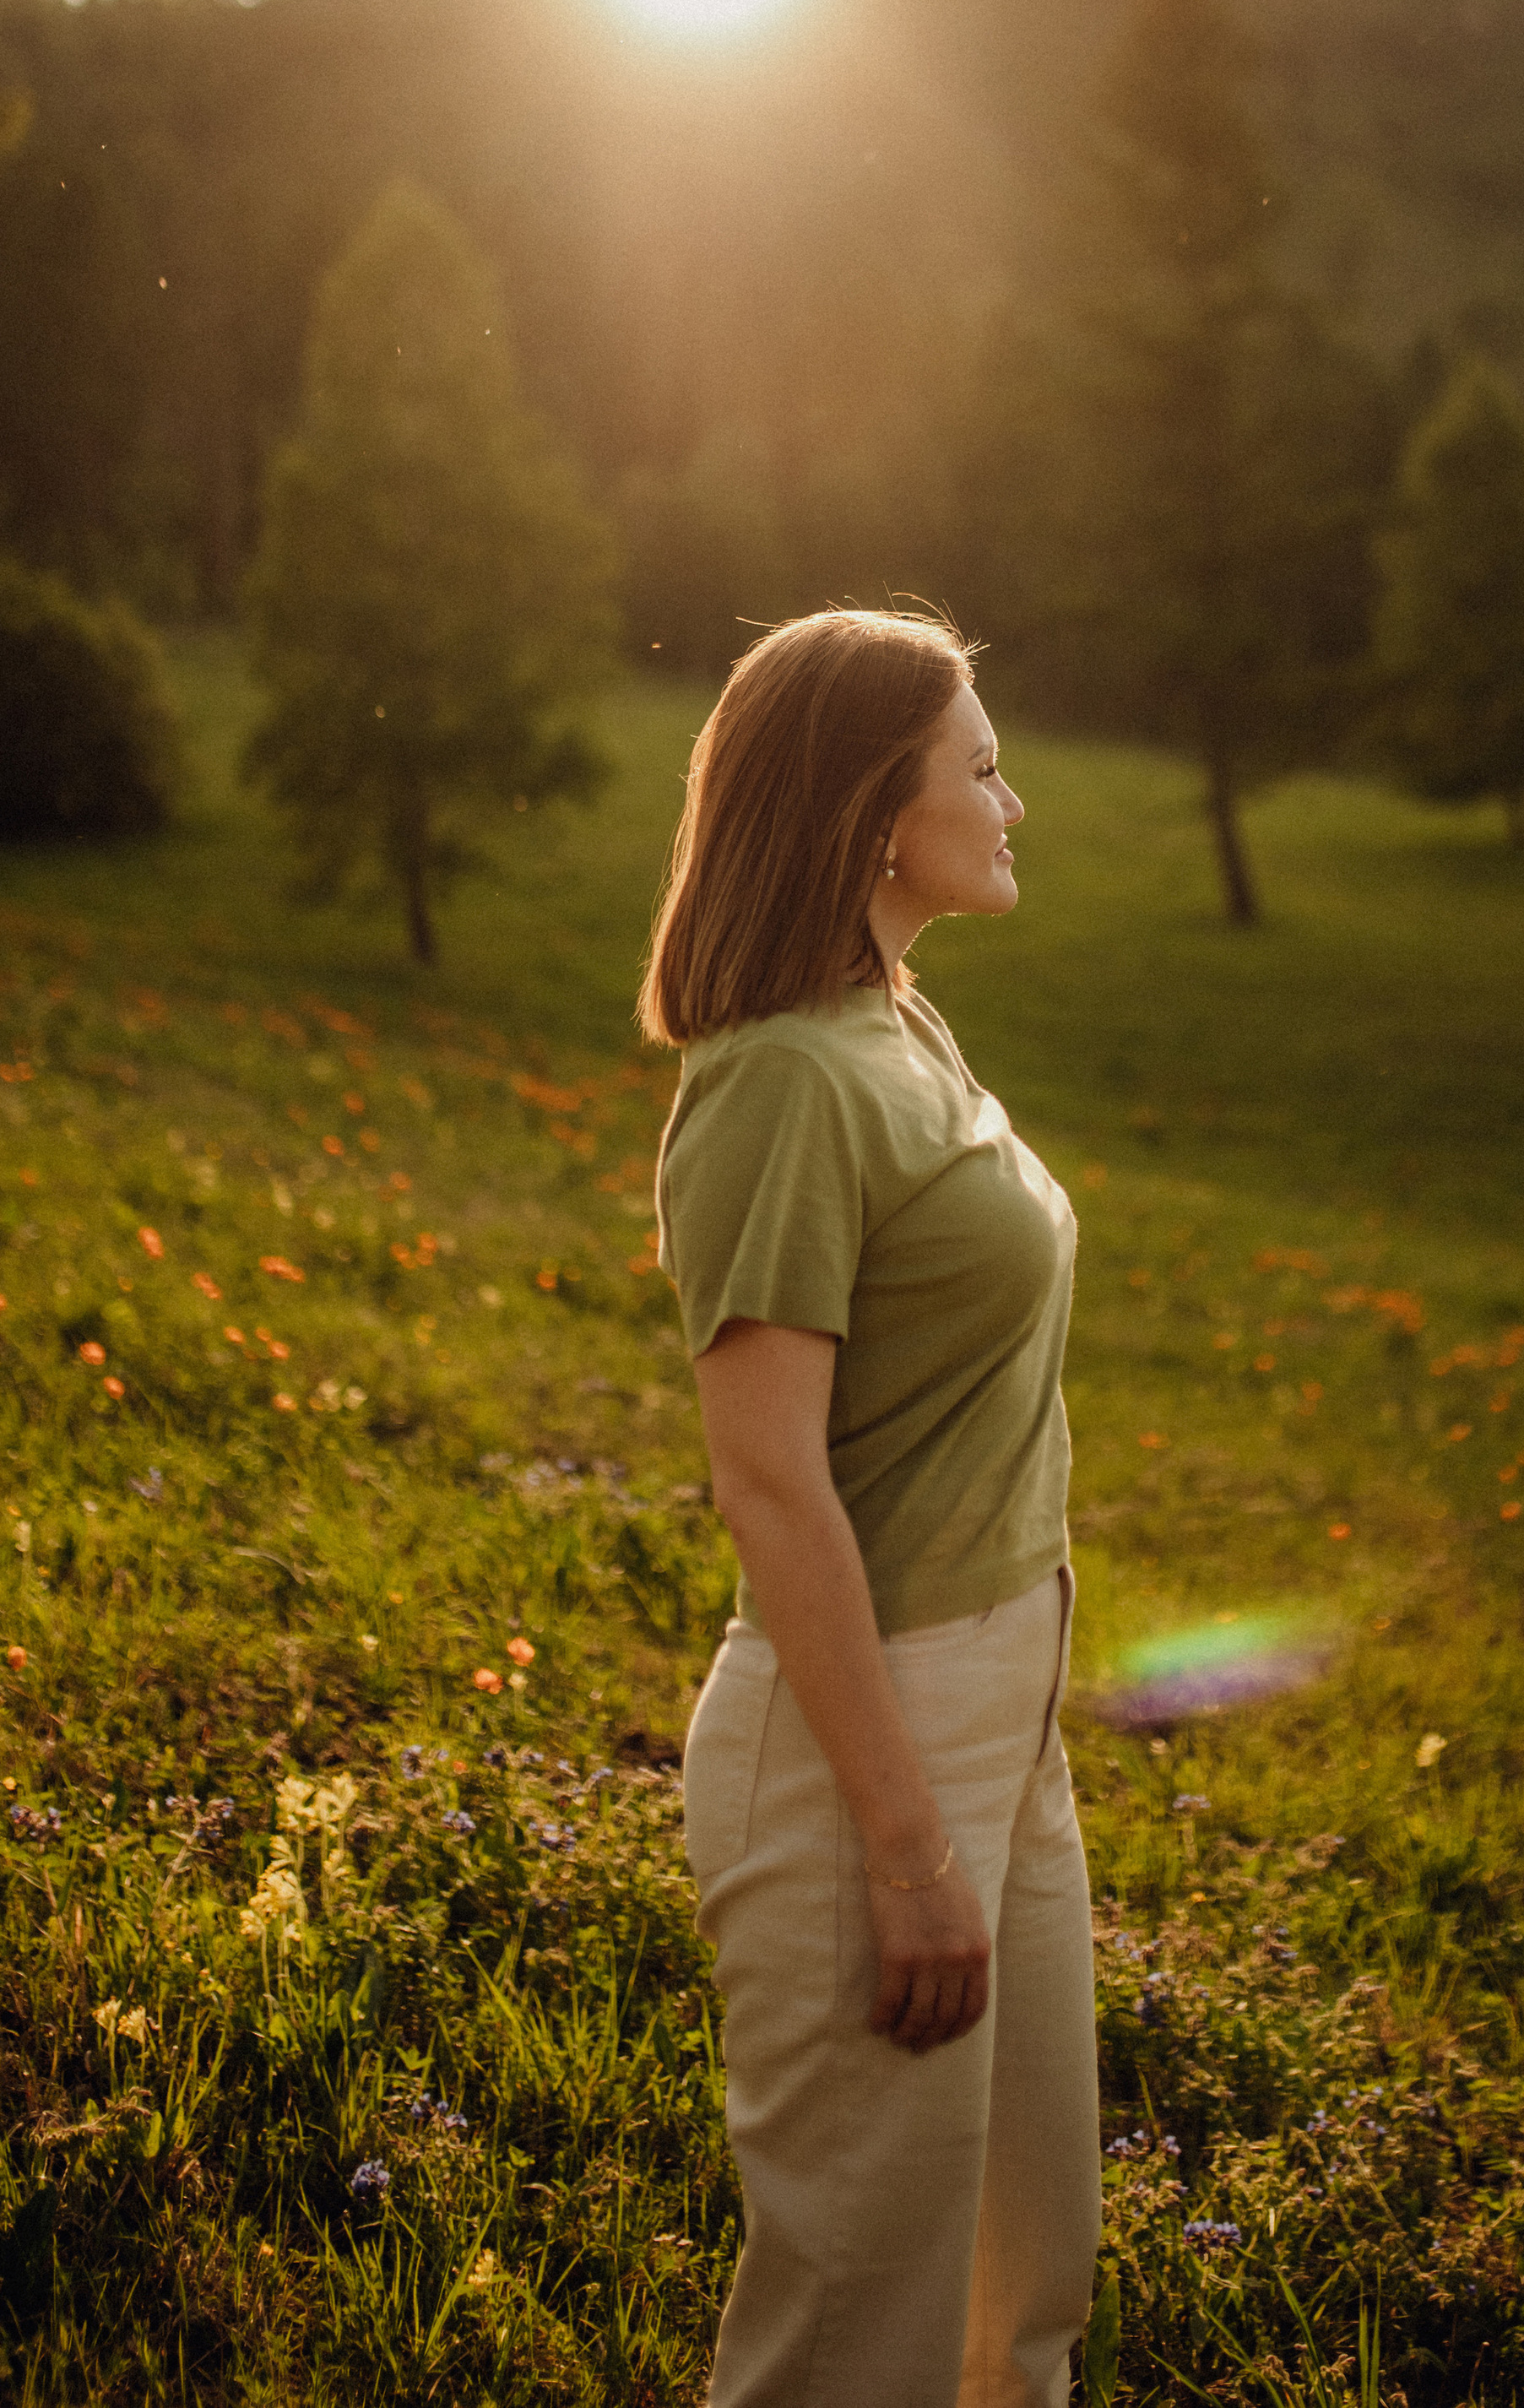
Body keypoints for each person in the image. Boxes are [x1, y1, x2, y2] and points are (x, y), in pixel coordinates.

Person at [639, 606, 1099, 2408]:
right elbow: (764, 1483)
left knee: (1020, 2298)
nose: (1010, 796)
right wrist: (904, 1845)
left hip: (1004, 1725)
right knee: (857, 2343)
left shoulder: (892, 1027)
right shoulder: (775, 1082)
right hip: (866, 1752)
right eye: (975, 766)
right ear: (868, 814)